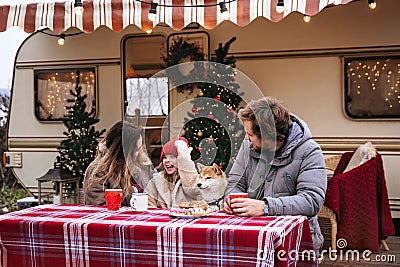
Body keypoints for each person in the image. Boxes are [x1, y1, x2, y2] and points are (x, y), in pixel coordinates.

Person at [224, 96, 327, 251]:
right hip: (252, 237)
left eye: (250, 135)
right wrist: (231, 200)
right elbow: (235, 184)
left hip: (296, 243)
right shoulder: (248, 146)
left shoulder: (310, 151)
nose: (246, 138)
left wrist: (265, 207)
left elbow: (311, 200)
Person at [83, 121, 153, 206]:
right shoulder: (98, 172)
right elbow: (99, 206)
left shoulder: (140, 166)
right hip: (114, 218)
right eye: (137, 149)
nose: (141, 152)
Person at [145, 137, 202, 208]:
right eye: (165, 157)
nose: (167, 160)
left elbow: (194, 191)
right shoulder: (156, 181)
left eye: (172, 157)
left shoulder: (192, 180)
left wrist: (185, 161)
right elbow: (147, 204)